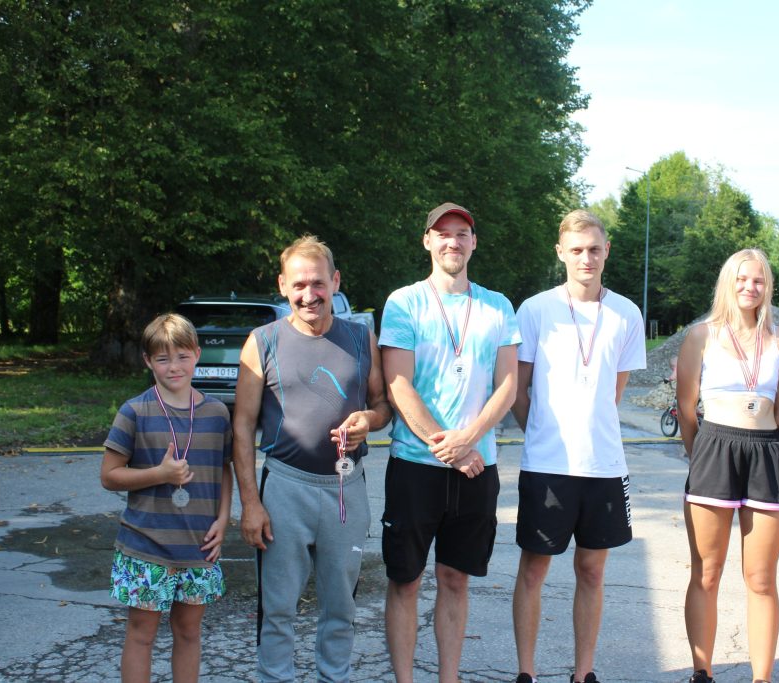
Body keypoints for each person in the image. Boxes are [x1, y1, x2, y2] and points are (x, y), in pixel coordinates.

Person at [232, 235, 391, 683]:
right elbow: (242, 426)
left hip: (346, 487)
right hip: (285, 487)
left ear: (335, 282)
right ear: (283, 285)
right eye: (299, 285)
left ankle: (333, 677)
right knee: (278, 606)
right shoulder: (262, 342)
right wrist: (251, 503)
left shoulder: (361, 339)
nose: (309, 294)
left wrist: (369, 419)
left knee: (341, 606)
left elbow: (382, 406)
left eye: (318, 283)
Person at [378, 202, 520, 683]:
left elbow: (508, 385)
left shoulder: (498, 306)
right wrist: (450, 448)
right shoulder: (404, 302)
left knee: (455, 579)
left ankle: (449, 677)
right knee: (405, 580)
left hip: (478, 465)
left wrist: (469, 440)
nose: (452, 241)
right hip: (415, 466)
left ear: (474, 243)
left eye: (462, 233)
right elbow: (398, 384)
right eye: (443, 233)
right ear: (427, 241)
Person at [509, 209, 646, 683]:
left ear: (607, 251)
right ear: (561, 253)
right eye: (576, 250)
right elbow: (518, 390)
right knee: (533, 571)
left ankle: (583, 673)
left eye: (594, 249)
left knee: (592, 572)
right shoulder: (535, 309)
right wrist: (541, 432)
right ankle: (526, 673)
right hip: (548, 465)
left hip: (603, 466)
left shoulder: (627, 313)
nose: (586, 258)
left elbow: (614, 393)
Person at [674, 248, 779, 683]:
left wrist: (770, 448)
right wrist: (702, 454)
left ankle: (762, 677)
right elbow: (686, 408)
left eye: (759, 280)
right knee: (706, 573)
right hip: (714, 450)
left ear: (768, 287)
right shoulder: (701, 336)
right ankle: (702, 672)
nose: (750, 287)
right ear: (728, 283)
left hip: (766, 453)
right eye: (742, 279)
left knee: (761, 578)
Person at [101, 313, 233, 683]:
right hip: (146, 546)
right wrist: (159, 475)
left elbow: (223, 469)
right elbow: (109, 476)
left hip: (198, 548)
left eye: (182, 356)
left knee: (189, 633)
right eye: (162, 358)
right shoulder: (134, 411)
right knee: (141, 635)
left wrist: (224, 519)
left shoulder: (217, 413)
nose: (173, 367)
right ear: (148, 361)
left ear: (197, 354)